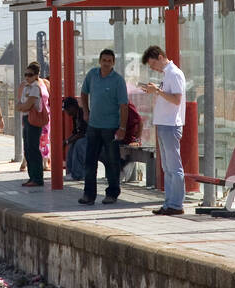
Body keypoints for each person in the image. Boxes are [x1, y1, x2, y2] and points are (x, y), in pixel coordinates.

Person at [140, 45, 186, 216]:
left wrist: (157, 91)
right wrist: (156, 91)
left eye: (153, 64)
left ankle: (176, 203)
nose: (152, 68)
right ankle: (170, 202)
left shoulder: (174, 74)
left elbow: (176, 100)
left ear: (160, 57)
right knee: (167, 167)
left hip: (171, 125)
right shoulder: (168, 75)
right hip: (164, 124)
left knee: (174, 166)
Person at [78, 49, 128, 205]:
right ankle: (89, 195)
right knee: (90, 161)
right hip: (93, 126)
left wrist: (122, 128)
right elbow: (84, 93)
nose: (106, 63)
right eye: (104, 60)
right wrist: (86, 111)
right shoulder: (92, 75)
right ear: (99, 61)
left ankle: (112, 193)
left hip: (111, 128)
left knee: (113, 162)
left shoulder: (118, 81)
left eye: (109, 61)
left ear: (113, 63)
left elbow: (124, 106)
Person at [15, 62, 47, 187]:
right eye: (26, 75)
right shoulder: (26, 87)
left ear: (36, 76)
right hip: (26, 118)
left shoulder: (35, 87)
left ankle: (38, 178)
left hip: (33, 120)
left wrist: (22, 107)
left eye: (30, 75)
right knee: (27, 148)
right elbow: (19, 105)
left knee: (33, 148)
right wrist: (23, 107)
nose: (27, 77)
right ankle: (31, 176)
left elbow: (27, 105)